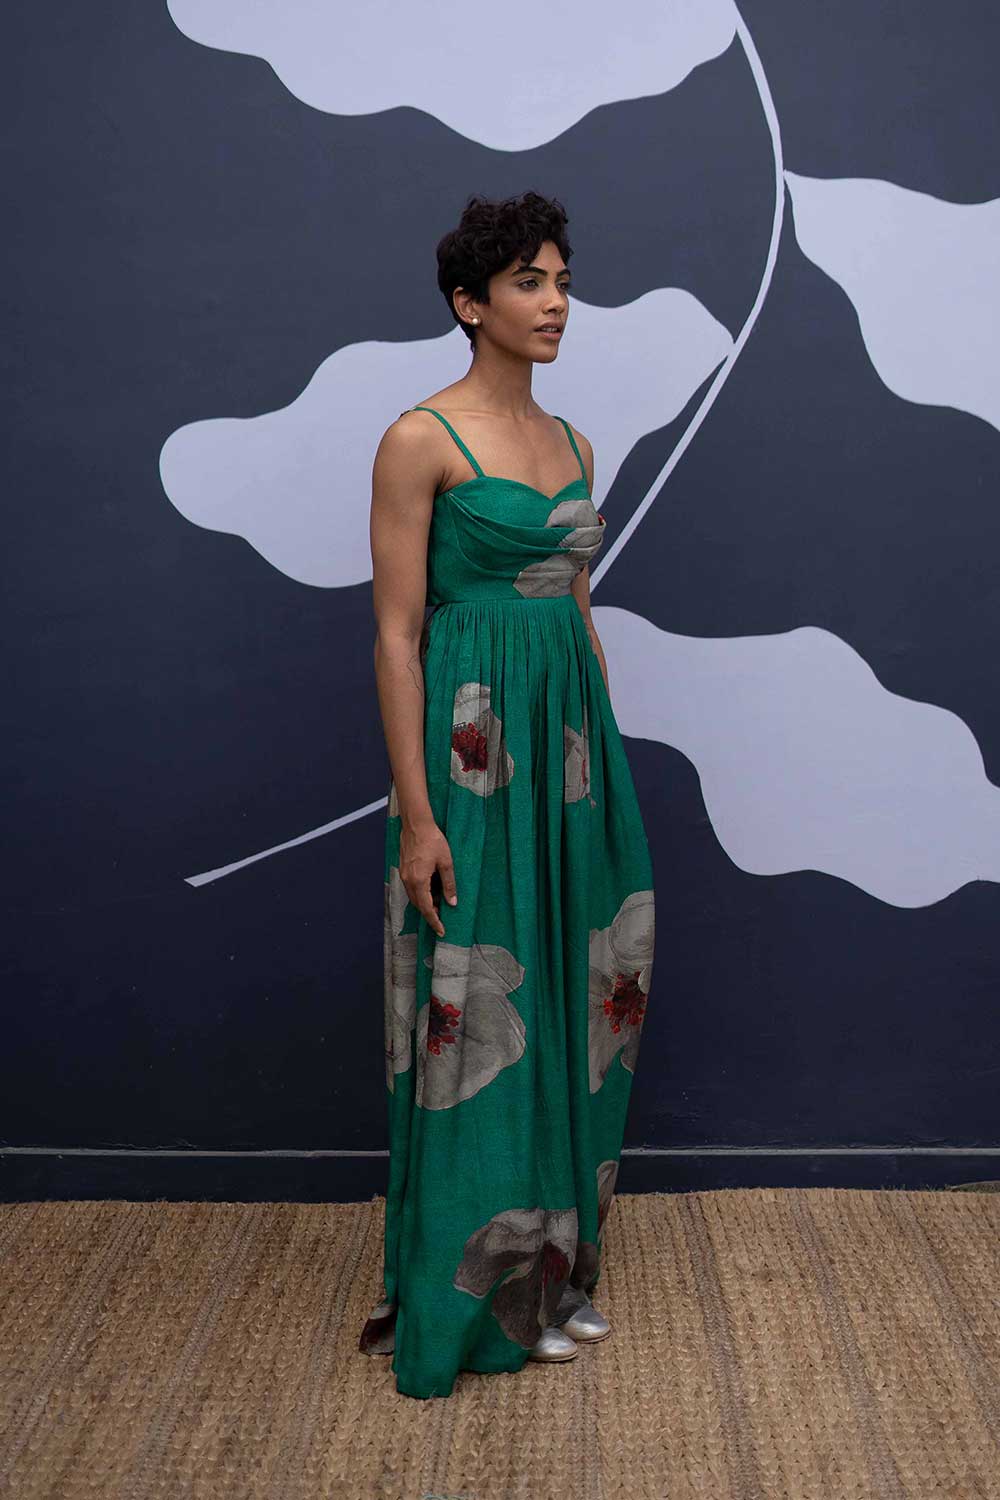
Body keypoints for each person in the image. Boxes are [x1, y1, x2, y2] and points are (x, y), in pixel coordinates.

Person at [360, 189, 655, 1400]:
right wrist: (419, 815)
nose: (555, 303)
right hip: (470, 761)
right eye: (529, 282)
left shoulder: (575, 444)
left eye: (563, 282)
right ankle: (469, 1306)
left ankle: (549, 1276)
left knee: (580, 998)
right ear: (468, 303)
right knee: (475, 1007)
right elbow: (394, 636)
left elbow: (575, 612)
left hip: (570, 756)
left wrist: (603, 770)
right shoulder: (419, 439)